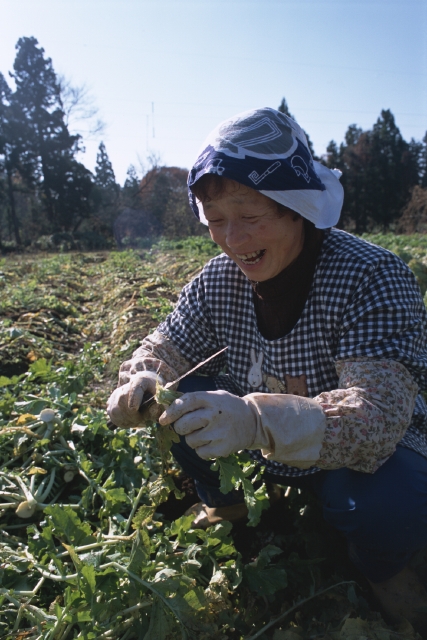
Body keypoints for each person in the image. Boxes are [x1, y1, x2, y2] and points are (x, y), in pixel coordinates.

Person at [107, 107, 427, 630]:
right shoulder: (218, 282)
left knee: (388, 501)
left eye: (251, 216)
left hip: (352, 457)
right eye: (215, 221)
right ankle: (227, 509)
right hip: (255, 448)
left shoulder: (369, 275)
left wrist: (257, 420)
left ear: (295, 206)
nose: (232, 239)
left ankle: (386, 568)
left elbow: (377, 415)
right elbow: (165, 345)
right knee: (183, 397)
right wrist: (143, 378)